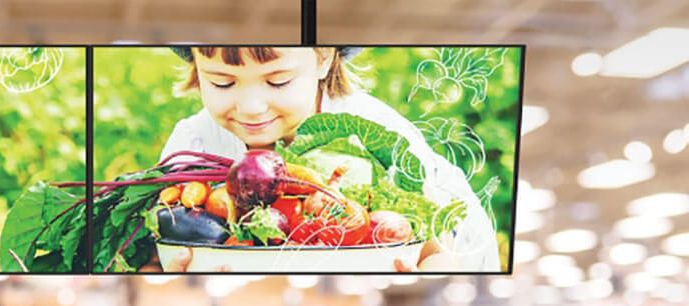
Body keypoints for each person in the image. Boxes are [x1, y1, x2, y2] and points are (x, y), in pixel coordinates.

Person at [157, 46, 501, 273]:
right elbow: (155, 248)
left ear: (323, 57)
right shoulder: (194, 142)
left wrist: (431, 272)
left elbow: (437, 246)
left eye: (278, 81)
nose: (251, 107)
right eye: (222, 82)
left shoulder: (372, 131)